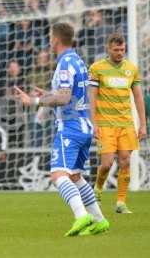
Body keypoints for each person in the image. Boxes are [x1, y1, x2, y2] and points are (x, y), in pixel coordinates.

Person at [15, 23, 109, 236]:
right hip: (84, 126)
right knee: (75, 176)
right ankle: (99, 219)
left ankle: (81, 216)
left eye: (50, 36)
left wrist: (34, 100)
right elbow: (71, 95)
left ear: (55, 39)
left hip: (71, 128)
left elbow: (65, 97)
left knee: (58, 175)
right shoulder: (78, 60)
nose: (49, 40)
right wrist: (49, 93)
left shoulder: (65, 63)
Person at [89, 33, 147, 214]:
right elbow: (92, 96)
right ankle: (97, 189)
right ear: (109, 49)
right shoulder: (97, 68)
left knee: (125, 161)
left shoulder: (131, 69)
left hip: (126, 123)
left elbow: (138, 97)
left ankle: (121, 202)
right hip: (105, 123)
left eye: (122, 49)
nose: (120, 52)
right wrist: (93, 122)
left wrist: (143, 124)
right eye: (116, 50)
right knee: (106, 164)